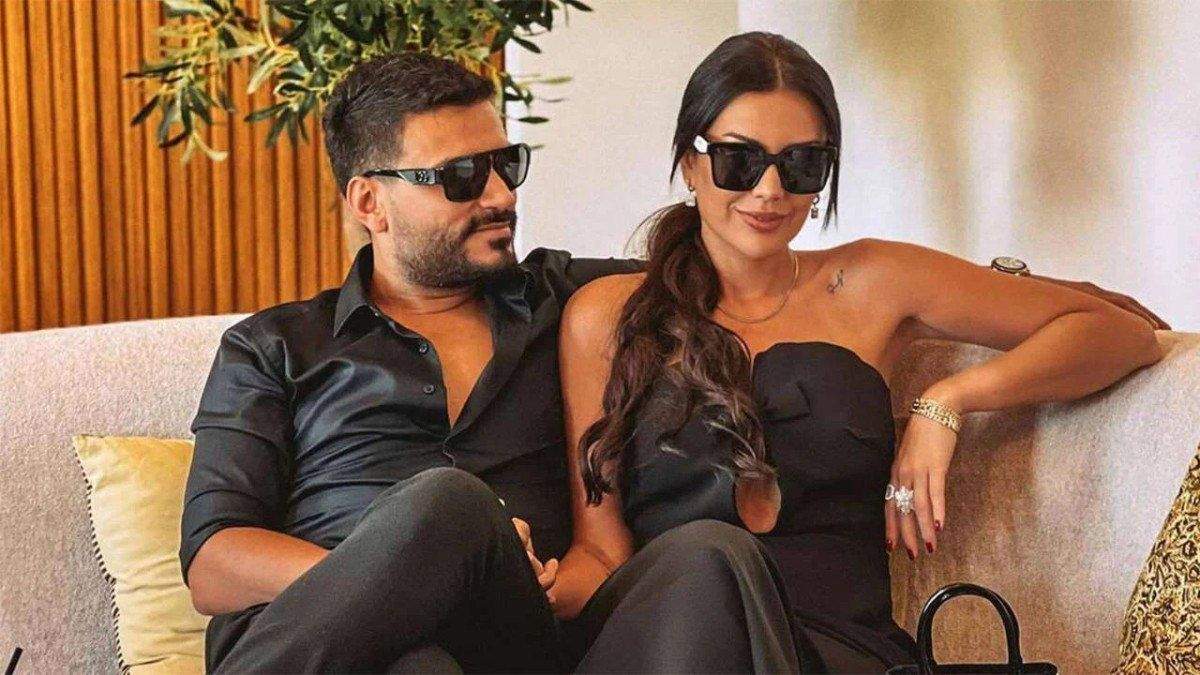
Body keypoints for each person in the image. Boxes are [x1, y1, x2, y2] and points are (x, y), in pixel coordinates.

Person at [550, 31, 1166, 673]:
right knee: (710, 556)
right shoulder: (607, 316)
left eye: (800, 164)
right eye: (739, 160)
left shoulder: (873, 281)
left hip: (838, 651)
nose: (769, 189)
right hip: (670, 642)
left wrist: (947, 402)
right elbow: (602, 555)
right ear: (689, 162)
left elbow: (1120, 335)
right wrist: (529, 583)